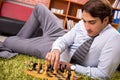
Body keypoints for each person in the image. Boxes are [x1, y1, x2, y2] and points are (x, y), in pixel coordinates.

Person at [45, 0, 120, 79]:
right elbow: (63, 40)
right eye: (85, 21)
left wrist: (72, 67)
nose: (86, 27)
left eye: (92, 22)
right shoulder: (81, 24)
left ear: (105, 20)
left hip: (67, 66)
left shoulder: (114, 38)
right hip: (56, 52)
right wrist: (56, 50)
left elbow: (103, 74)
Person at [1, 4, 66, 58]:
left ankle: (16, 44)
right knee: (39, 8)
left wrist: (73, 66)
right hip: (63, 33)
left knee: (8, 41)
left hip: (58, 46)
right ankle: (18, 44)